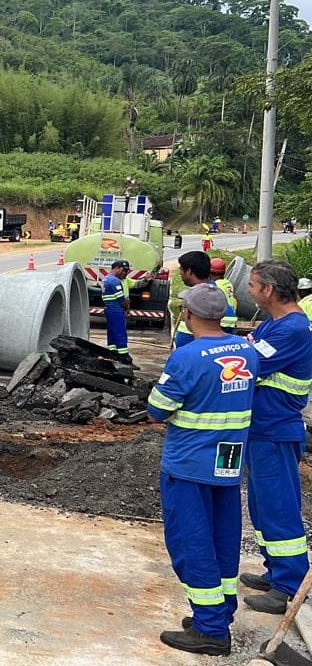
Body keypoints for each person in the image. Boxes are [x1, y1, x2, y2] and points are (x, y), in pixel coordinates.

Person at [149, 284, 256, 656]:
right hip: (228, 459)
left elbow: (157, 409)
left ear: (189, 315)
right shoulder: (247, 349)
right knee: (223, 537)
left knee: (191, 541)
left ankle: (210, 628)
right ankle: (218, 613)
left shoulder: (187, 357)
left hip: (190, 463)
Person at [239, 261, 312, 614]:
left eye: (252, 285)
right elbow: (250, 349)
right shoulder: (276, 323)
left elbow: (248, 361)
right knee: (262, 506)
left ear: (268, 290)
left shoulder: (293, 329)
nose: (249, 291)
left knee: (279, 507)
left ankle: (289, 584)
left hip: (275, 430)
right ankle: (275, 570)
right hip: (263, 429)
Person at [174, 252, 237, 348]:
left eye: (181, 269)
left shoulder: (202, 299)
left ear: (189, 271)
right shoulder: (215, 293)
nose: (180, 273)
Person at [102, 259, 132, 357]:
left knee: (111, 332)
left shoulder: (105, 279)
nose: (125, 273)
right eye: (124, 270)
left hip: (109, 309)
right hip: (116, 310)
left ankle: (113, 352)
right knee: (120, 332)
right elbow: (121, 300)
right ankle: (124, 356)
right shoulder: (115, 281)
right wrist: (127, 305)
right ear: (117, 268)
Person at [209, 258, 237, 330]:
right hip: (232, 319)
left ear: (210, 273)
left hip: (222, 320)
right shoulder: (228, 283)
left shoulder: (215, 285)